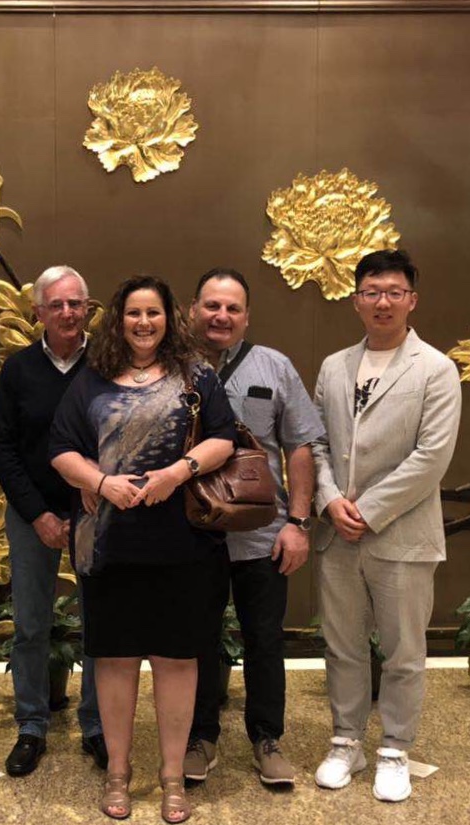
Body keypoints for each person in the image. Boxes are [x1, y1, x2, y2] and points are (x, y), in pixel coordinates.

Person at [50, 274, 235, 824]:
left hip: (182, 544)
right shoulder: (92, 377)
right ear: (119, 320)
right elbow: (60, 448)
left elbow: (224, 438)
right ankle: (118, 772)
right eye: (134, 313)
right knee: (115, 660)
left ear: (169, 318)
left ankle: (173, 776)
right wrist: (101, 482)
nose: (144, 322)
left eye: (153, 312)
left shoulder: (196, 375)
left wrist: (177, 473)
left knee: (177, 660)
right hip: (110, 545)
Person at [311, 249, 462, 802]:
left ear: (411, 300)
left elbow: (432, 457)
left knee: (402, 651)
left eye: (394, 292)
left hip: (401, 535)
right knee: (343, 645)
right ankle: (346, 742)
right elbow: (315, 444)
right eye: (372, 292)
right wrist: (330, 500)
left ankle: (395, 749)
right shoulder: (333, 367)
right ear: (356, 301)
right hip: (336, 532)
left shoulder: (436, 369)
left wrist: (369, 510)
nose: (383, 302)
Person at [185, 267, 325, 788]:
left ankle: (267, 738)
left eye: (233, 308)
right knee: (196, 637)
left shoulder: (275, 366)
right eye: (212, 305)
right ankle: (199, 737)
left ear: (247, 316)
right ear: (193, 310)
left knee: (265, 639)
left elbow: (301, 446)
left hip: (263, 536)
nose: (221, 316)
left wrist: (299, 524)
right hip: (192, 533)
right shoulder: (172, 367)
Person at [0, 265, 105, 777]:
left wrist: (88, 503)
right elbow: (1, 447)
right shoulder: (18, 369)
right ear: (38, 312)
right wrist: (38, 514)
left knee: (100, 624)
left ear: (88, 309)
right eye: (56, 304)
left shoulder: (106, 365)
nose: (67, 313)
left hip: (95, 513)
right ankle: (32, 725)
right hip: (31, 513)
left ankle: (97, 725)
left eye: (75, 303)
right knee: (31, 625)